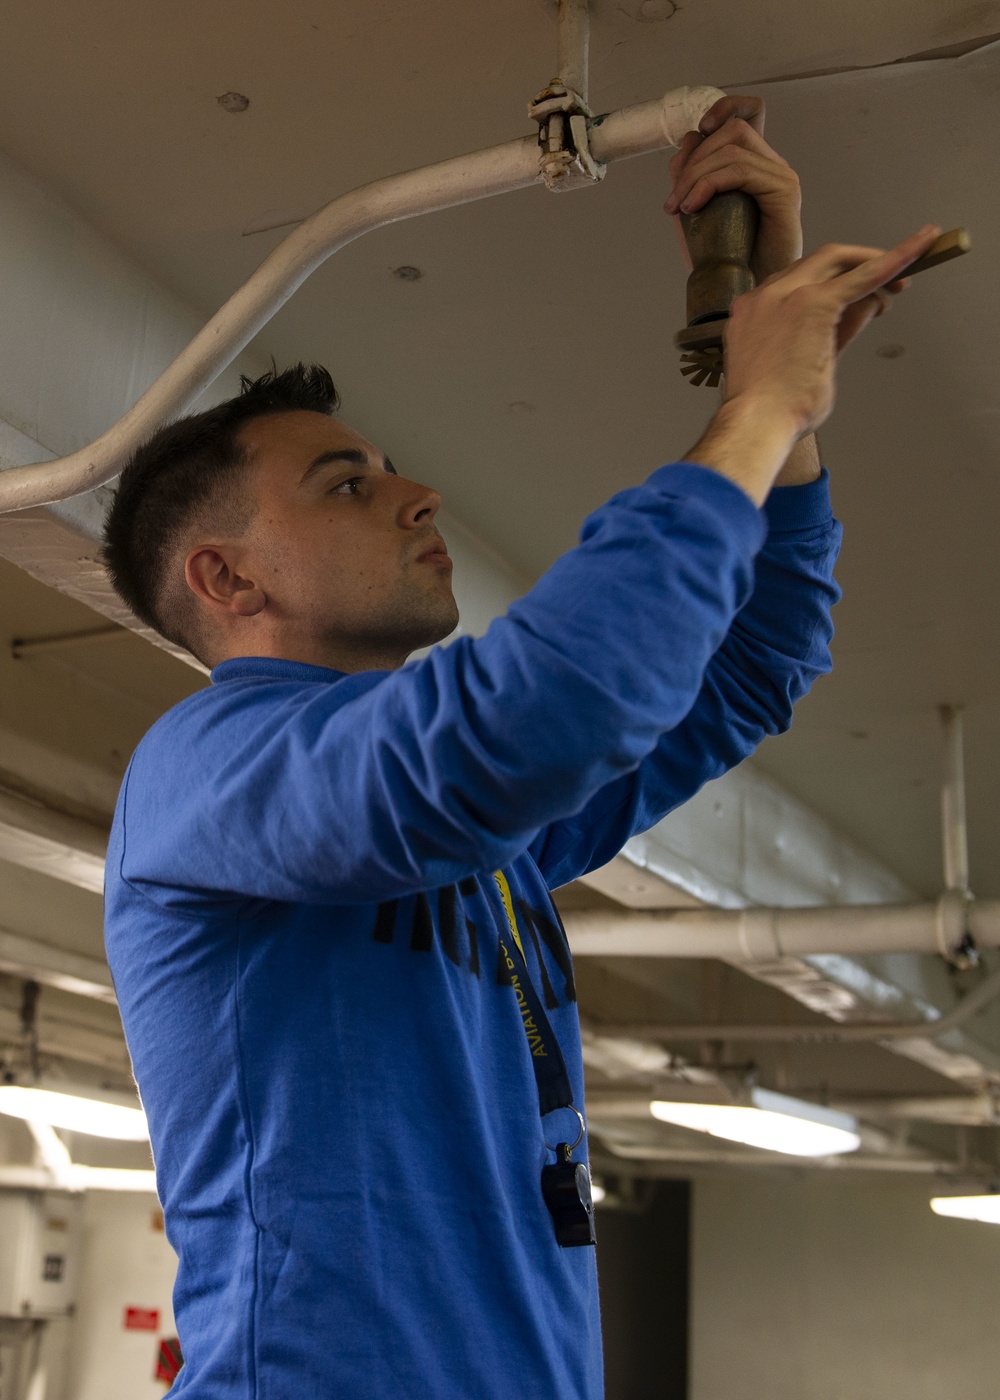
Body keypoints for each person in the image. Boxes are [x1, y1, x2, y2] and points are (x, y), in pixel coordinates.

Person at [101, 94, 937, 1400]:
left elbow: (746, 668)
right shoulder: (204, 774)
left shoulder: (481, 841)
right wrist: (753, 404)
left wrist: (772, 378)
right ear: (225, 576)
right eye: (345, 483)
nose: (415, 490)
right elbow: (545, 707)